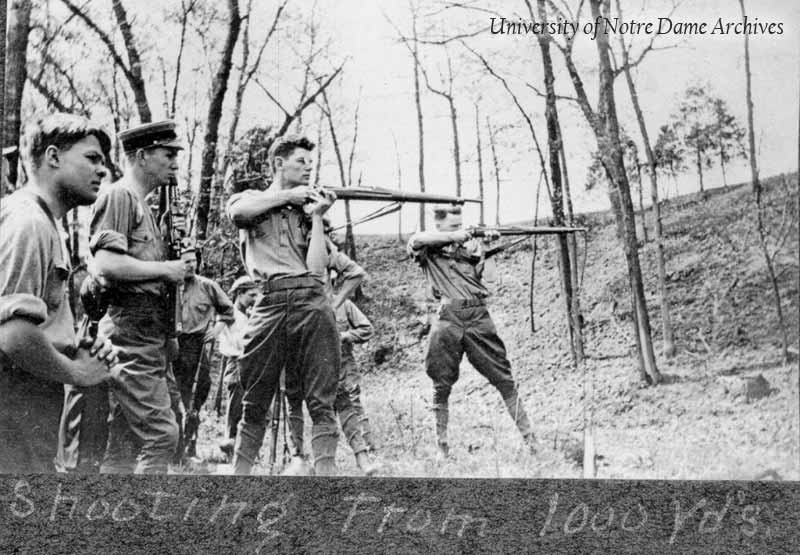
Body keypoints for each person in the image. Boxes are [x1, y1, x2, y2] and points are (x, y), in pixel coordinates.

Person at [0, 113, 117, 473]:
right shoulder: (29, 222)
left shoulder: (44, 222)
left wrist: (77, 346)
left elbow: (38, 321)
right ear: (53, 157)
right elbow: (14, 335)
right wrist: (78, 372)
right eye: (92, 158)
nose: (103, 171)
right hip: (15, 397)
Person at [226, 134, 339, 476]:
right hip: (270, 300)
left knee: (321, 400)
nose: (308, 168)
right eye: (300, 161)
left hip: (310, 299)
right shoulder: (252, 198)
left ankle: (327, 481)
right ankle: (238, 477)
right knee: (255, 397)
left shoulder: (308, 212)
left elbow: (317, 268)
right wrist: (288, 196)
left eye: (310, 162)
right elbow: (238, 213)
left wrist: (317, 217)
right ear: (278, 163)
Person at [88, 120, 189, 474]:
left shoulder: (146, 206)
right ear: (143, 156)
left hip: (151, 332)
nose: (175, 161)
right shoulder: (120, 196)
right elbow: (106, 265)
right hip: (130, 330)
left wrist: (169, 335)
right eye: (168, 154)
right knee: (161, 436)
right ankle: (146, 524)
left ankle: (115, 520)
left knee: (127, 437)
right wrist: (167, 270)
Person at [407, 204, 536, 457]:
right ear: (440, 225)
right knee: (441, 385)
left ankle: (533, 443)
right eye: (454, 226)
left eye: (461, 225)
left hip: (478, 316)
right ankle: (442, 449)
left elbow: (490, 279)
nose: (460, 229)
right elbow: (416, 239)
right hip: (448, 318)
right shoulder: (427, 247)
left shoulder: (471, 250)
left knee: (505, 381)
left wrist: (486, 247)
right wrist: (455, 236)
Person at [172, 246, 235, 459]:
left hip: (196, 348)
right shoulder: (170, 285)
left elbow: (228, 310)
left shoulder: (208, 286)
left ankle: (190, 445)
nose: (190, 265)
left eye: (193, 261)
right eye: (184, 261)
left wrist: (217, 328)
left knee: (196, 395)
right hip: (171, 345)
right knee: (173, 396)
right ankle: (173, 447)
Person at [216, 275, 259, 458]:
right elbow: (241, 343)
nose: (254, 299)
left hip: (249, 364)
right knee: (235, 407)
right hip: (236, 363)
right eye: (251, 295)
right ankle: (230, 445)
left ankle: (243, 450)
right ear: (240, 294)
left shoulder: (247, 315)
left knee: (247, 408)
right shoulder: (230, 315)